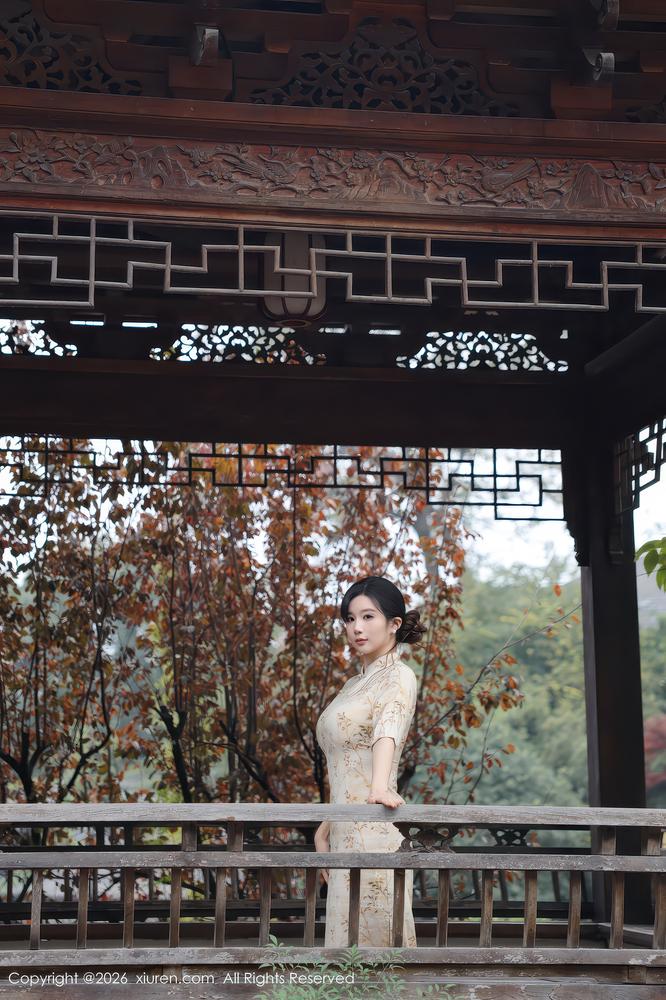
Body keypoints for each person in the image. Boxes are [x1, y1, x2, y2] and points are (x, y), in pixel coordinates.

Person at [314, 575, 426, 947]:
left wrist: (380, 787)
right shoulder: (353, 685)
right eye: (350, 619)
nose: (356, 628)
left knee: (377, 950)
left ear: (394, 624)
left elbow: (387, 731)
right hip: (345, 828)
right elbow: (348, 762)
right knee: (344, 950)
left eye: (368, 617)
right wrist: (326, 825)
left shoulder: (398, 676)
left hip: (375, 825)